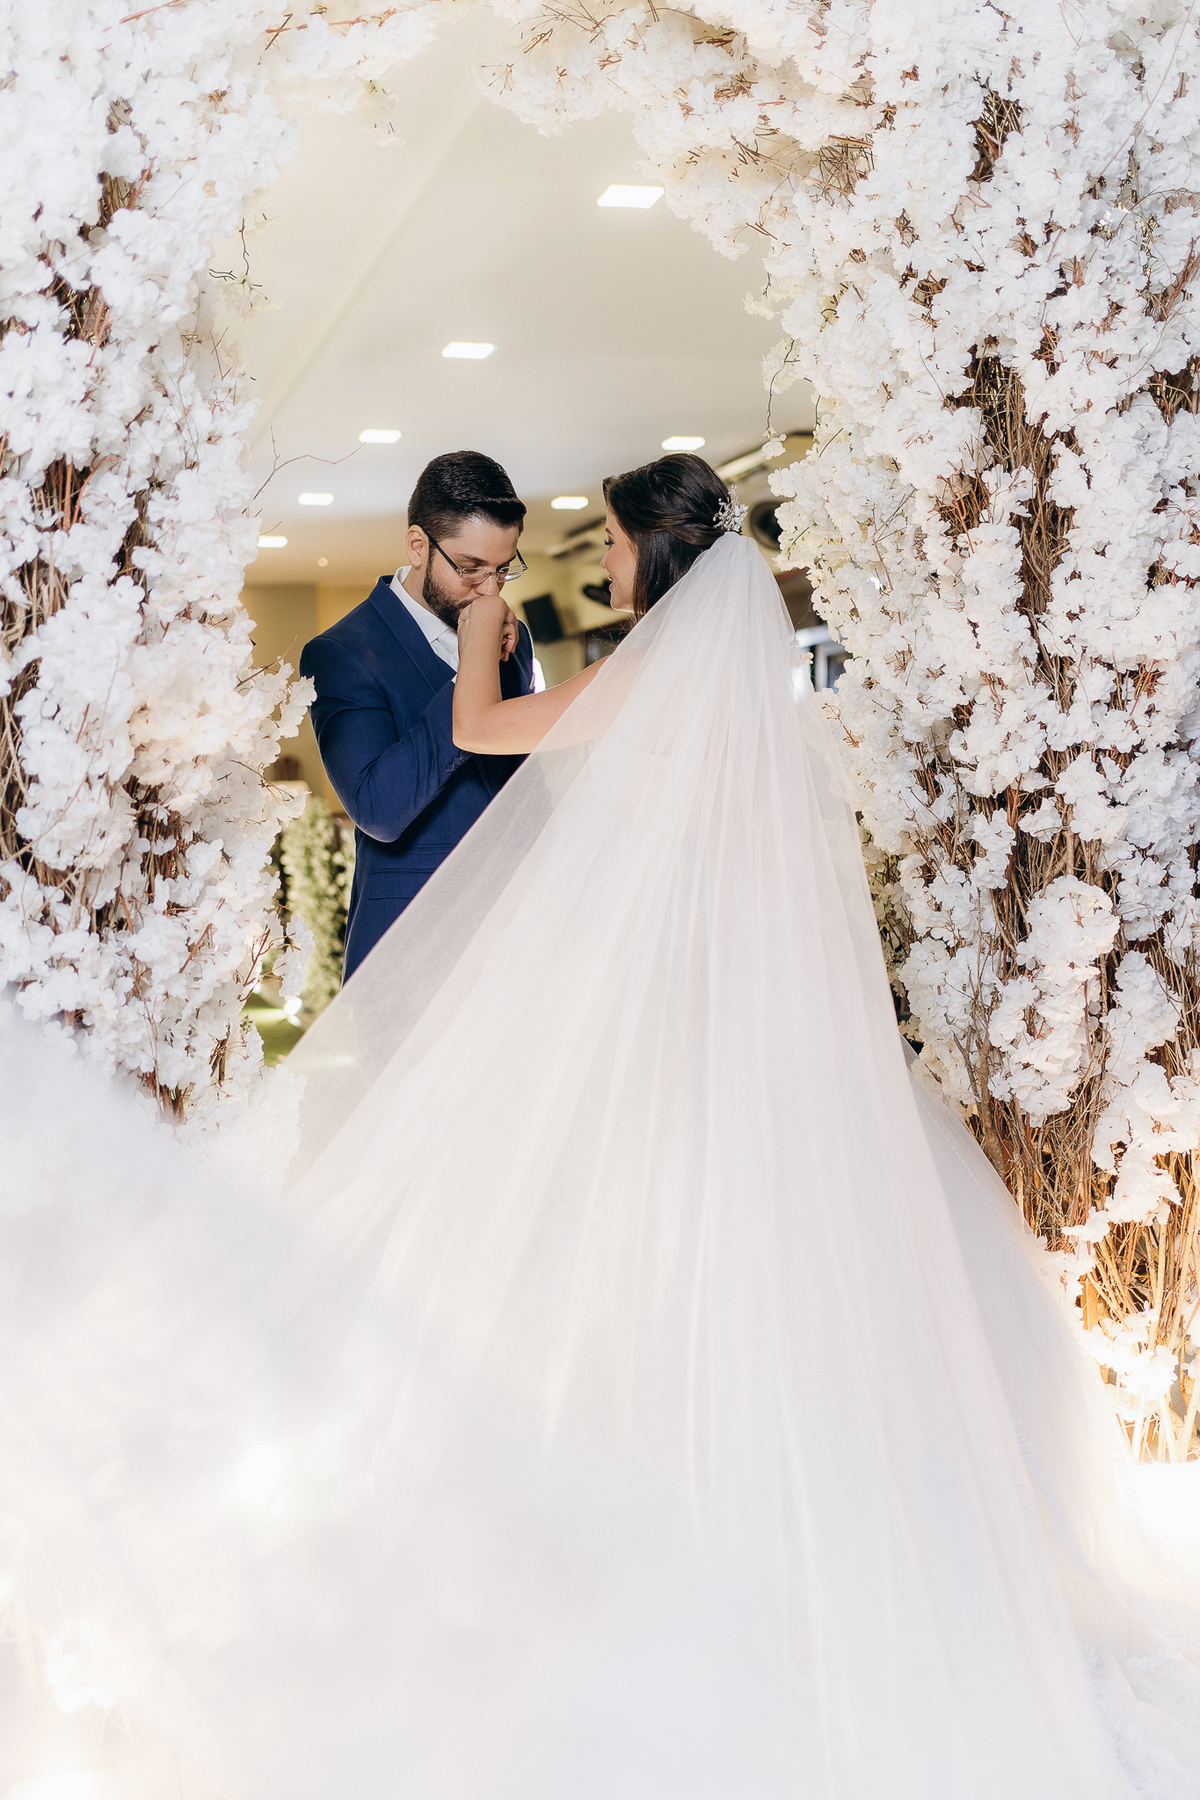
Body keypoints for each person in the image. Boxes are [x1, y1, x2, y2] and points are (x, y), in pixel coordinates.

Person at [4, 455, 1200, 1800]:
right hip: (756, 1034)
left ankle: (670, 1570)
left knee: (632, 1275)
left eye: (613, 546)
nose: (601, 565)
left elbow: (485, 739)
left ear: (653, 557)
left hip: (669, 1033)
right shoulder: (765, 713)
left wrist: (477, 650)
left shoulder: (644, 678)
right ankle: (832, 1562)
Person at [299, 449, 535, 980]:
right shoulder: (339, 653)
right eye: (471, 569)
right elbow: (378, 808)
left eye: (504, 569)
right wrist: (471, 671)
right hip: (410, 955)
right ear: (417, 544)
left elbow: (522, 783)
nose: (490, 590)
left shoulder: (515, 641)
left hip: (520, 946)